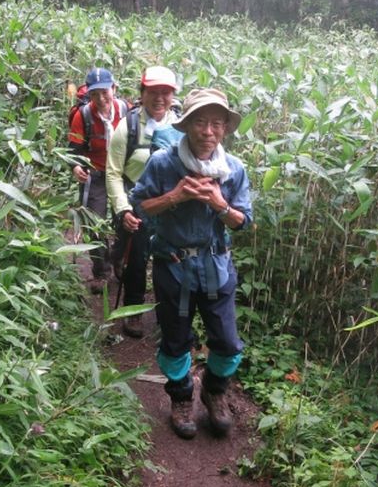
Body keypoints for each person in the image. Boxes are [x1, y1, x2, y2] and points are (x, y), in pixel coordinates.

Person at [129, 88, 252, 440]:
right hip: (174, 266)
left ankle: (214, 392)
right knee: (175, 339)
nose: (208, 131)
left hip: (217, 267)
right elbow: (140, 207)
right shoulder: (163, 163)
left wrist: (219, 203)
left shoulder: (234, 169)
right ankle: (182, 397)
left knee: (227, 342)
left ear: (225, 129)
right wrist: (175, 195)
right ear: (187, 126)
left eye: (216, 123)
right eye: (200, 122)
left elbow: (242, 222)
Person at [105, 65, 181, 337]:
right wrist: (123, 208)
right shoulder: (129, 126)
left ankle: (166, 315)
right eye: (153, 92)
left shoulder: (181, 126)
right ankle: (134, 311)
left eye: (166, 93)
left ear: (173, 96)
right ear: (142, 93)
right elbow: (113, 172)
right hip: (136, 200)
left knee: (169, 259)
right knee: (136, 259)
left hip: (171, 204)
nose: (159, 98)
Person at [68, 67, 128, 293]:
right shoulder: (81, 116)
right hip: (96, 175)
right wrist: (75, 167)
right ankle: (101, 271)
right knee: (94, 223)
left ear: (114, 88)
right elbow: (73, 150)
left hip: (122, 174)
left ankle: (120, 261)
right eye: (95, 94)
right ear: (89, 94)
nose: (101, 98)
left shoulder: (125, 110)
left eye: (105, 91)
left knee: (126, 220)